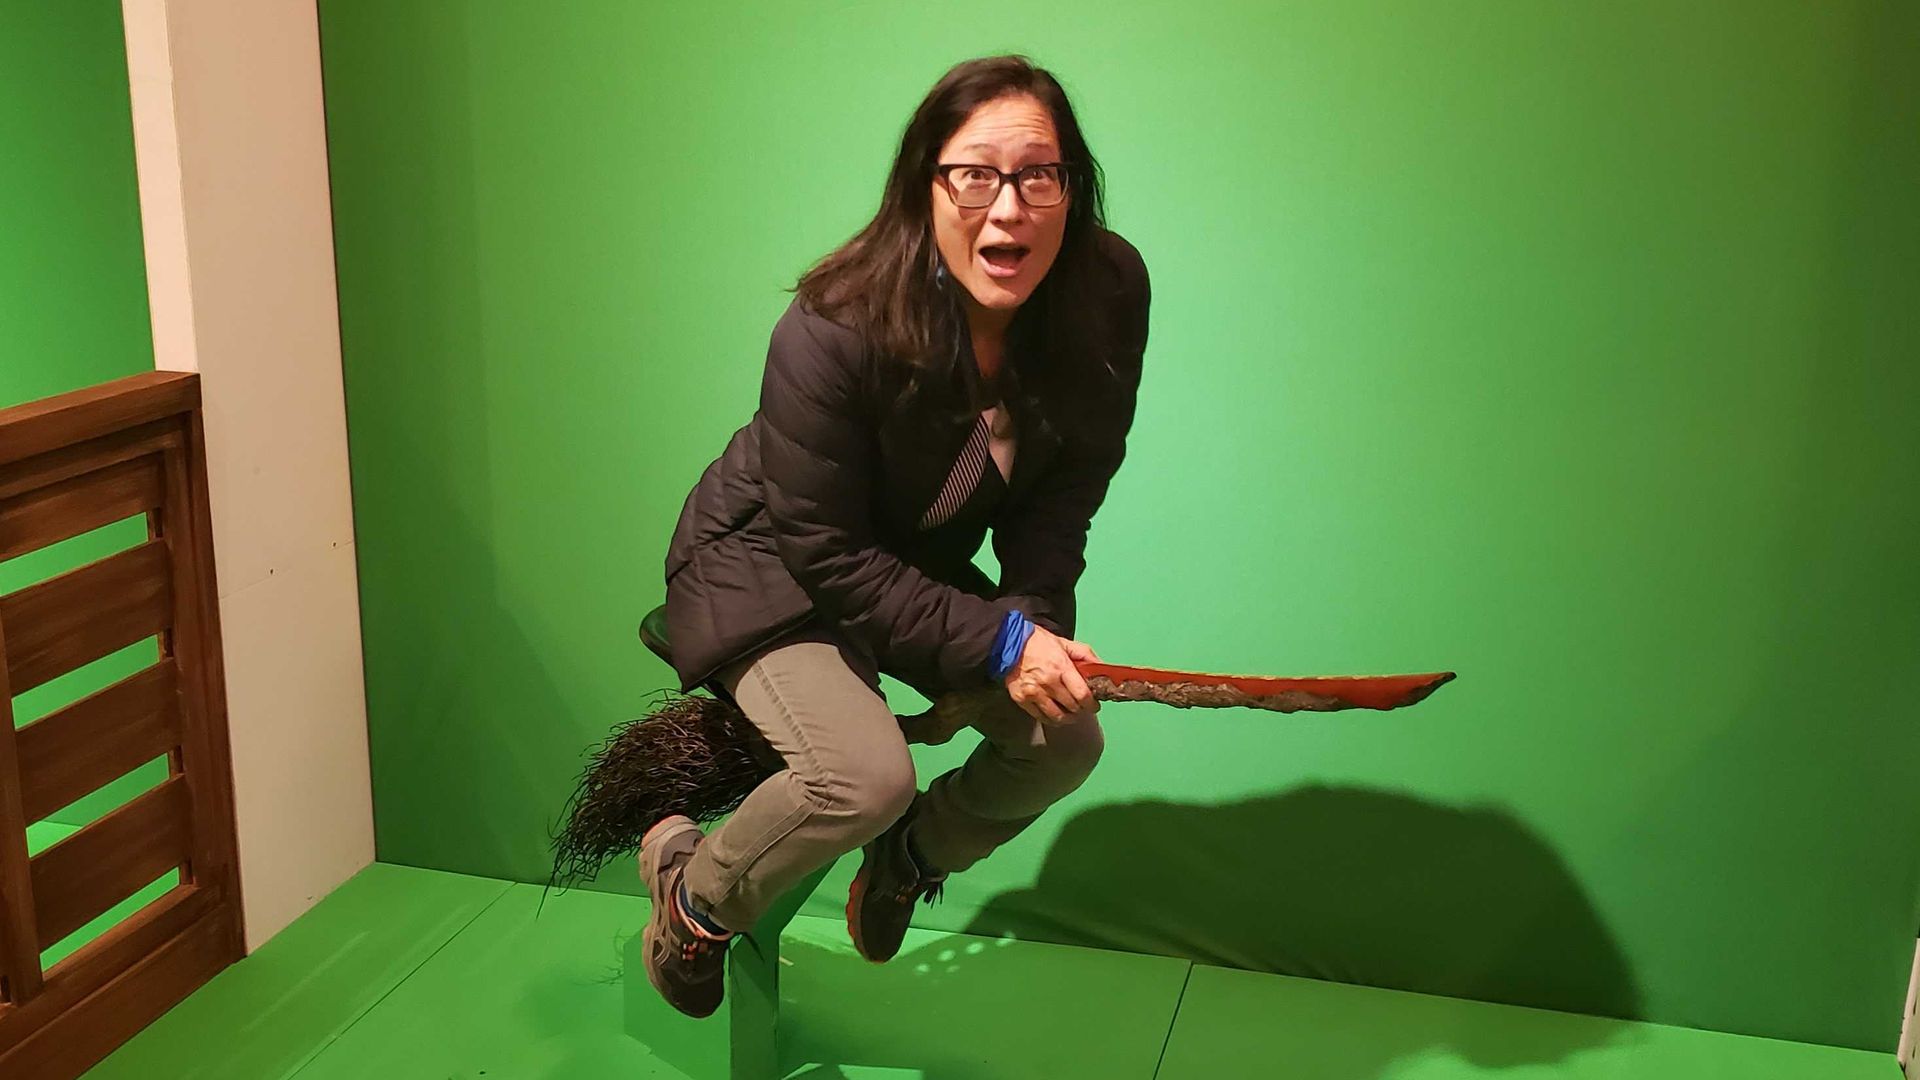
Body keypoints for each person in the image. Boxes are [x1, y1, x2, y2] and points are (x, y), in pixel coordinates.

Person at [642, 54, 1151, 1018]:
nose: (1008, 209)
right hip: (767, 555)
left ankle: (908, 858)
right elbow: (823, 549)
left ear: (1071, 188)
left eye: (1039, 175)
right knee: (860, 776)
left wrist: (1033, 620)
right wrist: (995, 641)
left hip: (905, 557)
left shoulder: (1109, 290)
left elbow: (1067, 487)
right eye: (974, 174)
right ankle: (691, 896)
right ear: (925, 187)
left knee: (1062, 743)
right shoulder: (832, 326)